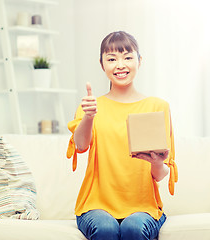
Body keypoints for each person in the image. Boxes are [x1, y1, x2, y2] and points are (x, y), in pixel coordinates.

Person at [66, 31, 178, 240]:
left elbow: (161, 174)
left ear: (139, 60)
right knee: (106, 228)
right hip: (95, 205)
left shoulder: (157, 107)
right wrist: (89, 116)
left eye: (127, 57)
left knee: (133, 228)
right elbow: (80, 146)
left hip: (143, 207)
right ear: (102, 65)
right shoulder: (91, 106)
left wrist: (156, 161)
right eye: (111, 59)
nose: (120, 65)